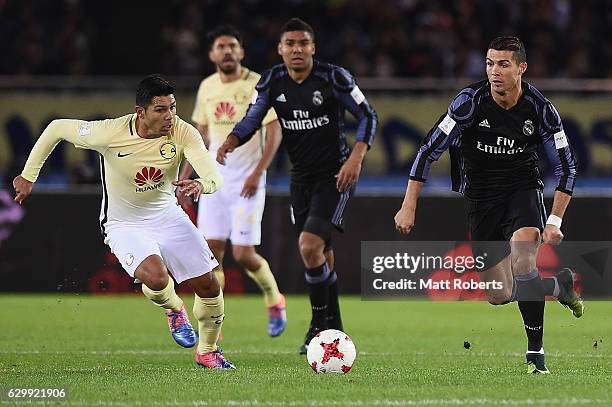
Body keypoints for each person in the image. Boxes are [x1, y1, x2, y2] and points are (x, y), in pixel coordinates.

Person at [13, 74, 235, 369]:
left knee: (209, 286)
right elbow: (56, 129)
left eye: (173, 107)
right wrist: (29, 175)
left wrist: (201, 185)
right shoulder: (109, 131)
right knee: (156, 278)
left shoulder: (183, 132)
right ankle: (174, 307)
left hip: (168, 215)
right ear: (140, 112)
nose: (170, 116)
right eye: (160, 109)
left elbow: (214, 176)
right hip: (123, 222)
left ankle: (207, 351)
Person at [394, 36, 583, 374]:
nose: (494, 72)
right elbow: (427, 151)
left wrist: (554, 220)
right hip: (481, 198)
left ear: (521, 68)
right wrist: (408, 206)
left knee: (524, 256)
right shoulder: (468, 103)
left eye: (503, 64)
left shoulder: (540, 110)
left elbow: (566, 166)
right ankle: (558, 286)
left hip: (522, 189)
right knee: (499, 294)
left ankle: (536, 355)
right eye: (490, 64)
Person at [217, 18, 378, 354]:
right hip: (300, 179)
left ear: (313, 48)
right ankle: (332, 327)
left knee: (308, 246)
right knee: (322, 253)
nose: (297, 50)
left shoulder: (334, 77)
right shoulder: (273, 80)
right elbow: (253, 116)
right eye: (290, 44)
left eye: (303, 43)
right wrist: (232, 139)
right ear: (280, 49)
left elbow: (367, 116)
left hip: (336, 176)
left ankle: (318, 325)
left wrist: (357, 157)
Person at [178, 26, 286, 337]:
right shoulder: (207, 86)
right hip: (214, 181)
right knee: (210, 254)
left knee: (243, 254)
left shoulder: (256, 84)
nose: (227, 51)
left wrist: (258, 173)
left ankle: (274, 299)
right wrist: (186, 177)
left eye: (232, 46)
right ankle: (215, 321)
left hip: (248, 182)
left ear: (241, 52)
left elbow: (274, 133)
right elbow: (199, 137)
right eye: (221, 47)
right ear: (212, 55)